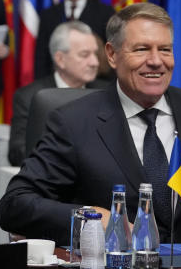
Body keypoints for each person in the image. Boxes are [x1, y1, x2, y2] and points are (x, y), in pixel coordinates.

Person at [0, 3, 181, 245]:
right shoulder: (74, 122)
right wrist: (90, 218)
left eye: (165, 49)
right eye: (141, 49)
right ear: (111, 54)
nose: (156, 61)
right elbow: (15, 204)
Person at [7, 21, 107, 166]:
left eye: (95, 54)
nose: (95, 62)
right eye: (85, 55)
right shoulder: (30, 96)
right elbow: (18, 152)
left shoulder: (107, 93)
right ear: (60, 59)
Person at [34, 0, 114, 79]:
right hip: (56, 86)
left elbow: (112, 51)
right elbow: (41, 56)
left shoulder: (105, 12)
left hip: (97, 82)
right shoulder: (48, 15)